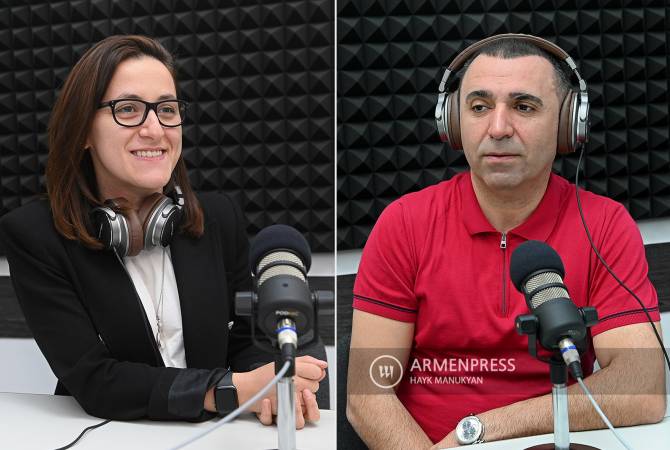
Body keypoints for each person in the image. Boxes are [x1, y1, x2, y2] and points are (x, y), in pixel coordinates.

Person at [346, 34, 666, 449]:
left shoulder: (605, 225)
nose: (498, 128)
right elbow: (368, 397)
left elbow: (642, 387)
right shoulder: (404, 223)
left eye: (523, 107)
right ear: (452, 122)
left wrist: (479, 430)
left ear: (569, 124)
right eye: (479, 107)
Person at [0, 35, 328, 427]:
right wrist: (234, 389)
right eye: (128, 109)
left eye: (167, 109)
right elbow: (95, 380)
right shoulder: (36, 235)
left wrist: (273, 386)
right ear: (84, 130)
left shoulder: (219, 218)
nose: (155, 129)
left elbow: (246, 340)